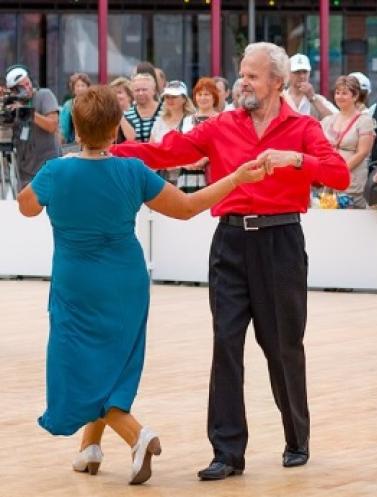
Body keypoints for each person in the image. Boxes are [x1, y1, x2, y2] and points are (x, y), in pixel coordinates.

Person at [111, 41, 349, 481]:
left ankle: (297, 437)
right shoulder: (222, 125)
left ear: (277, 82)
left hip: (281, 244)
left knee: (283, 347)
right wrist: (108, 151)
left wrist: (295, 158)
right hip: (230, 243)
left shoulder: (301, 126)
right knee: (226, 343)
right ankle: (227, 451)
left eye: (253, 75)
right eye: (242, 73)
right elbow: (169, 152)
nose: (243, 81)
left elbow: (339, 173)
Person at [17, 84, 267, 485]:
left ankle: (137, 435)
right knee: (114, 361)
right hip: (127, 281)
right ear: (116, 129)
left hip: (77, 282)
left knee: (78, 371)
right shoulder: (132, 170)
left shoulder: (56, 171)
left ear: (75, 130)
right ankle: (90, 448)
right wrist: (235, 178)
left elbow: (26, 207)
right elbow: (187, 208)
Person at [320, 75, 376, 208]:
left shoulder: (364, 121)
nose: (339, 96)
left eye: (344, 93)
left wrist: (339, 171)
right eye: (337, 93)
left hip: (351, 184)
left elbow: (362, 152)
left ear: (355, 96)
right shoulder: (329, 120)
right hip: (328, 185)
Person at [4, 64, 60, 191]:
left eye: (28, 83)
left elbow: (52, 125)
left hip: (48, 168)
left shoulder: (44, 95)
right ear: (13, 90)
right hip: (24, 172)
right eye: (21, 87)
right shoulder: (12, 105)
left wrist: (27, 111)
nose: (27, 88)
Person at [176, 77, 220, 193]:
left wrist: (205, 159)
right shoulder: (186, 120)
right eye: (199, 94)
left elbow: (224, 147)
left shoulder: (221, 120)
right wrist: (185, 162)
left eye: (207, 94)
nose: (202, 98)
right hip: (188, 174)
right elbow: (179, 146)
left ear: (214, 96)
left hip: (212, 175)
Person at [149, 80, 197, 185]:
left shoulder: (192, 120)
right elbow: (151, 151)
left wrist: (176, 164)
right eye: (167, 96)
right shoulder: (159, 122)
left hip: (187, 178)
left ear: (184, 99)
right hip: (162, 179)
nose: (170, 100)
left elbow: (196, 151)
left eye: (174, 96)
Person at [282, 53, 337, 120]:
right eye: (297, 72)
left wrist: (313, 98)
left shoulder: (318, 99)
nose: (302, 76)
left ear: (309, 73)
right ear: (288, 73)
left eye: (305, 72)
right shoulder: (281, 97)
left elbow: (334, 121)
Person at [121, 73, 161, 143]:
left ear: (154, 91)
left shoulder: (165, 111)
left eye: (144, 90)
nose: (140, 93)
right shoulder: (127, 115)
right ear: (132, 93)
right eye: (137, 90)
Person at [58, 72, 91, 147]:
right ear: (73, 89)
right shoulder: (68, 105)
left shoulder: (93, 104)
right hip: (73, 146)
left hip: (92, 145)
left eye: (83, 85)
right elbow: (63, 130)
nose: (80, 88)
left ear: (88, 87)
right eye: (77, 86)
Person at [109, 77, 134, 143]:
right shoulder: (109, 115)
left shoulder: (135, 114)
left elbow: (131, 139)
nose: (116, 96)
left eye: (119, 92)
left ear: (129, 96)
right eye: (113, 93)